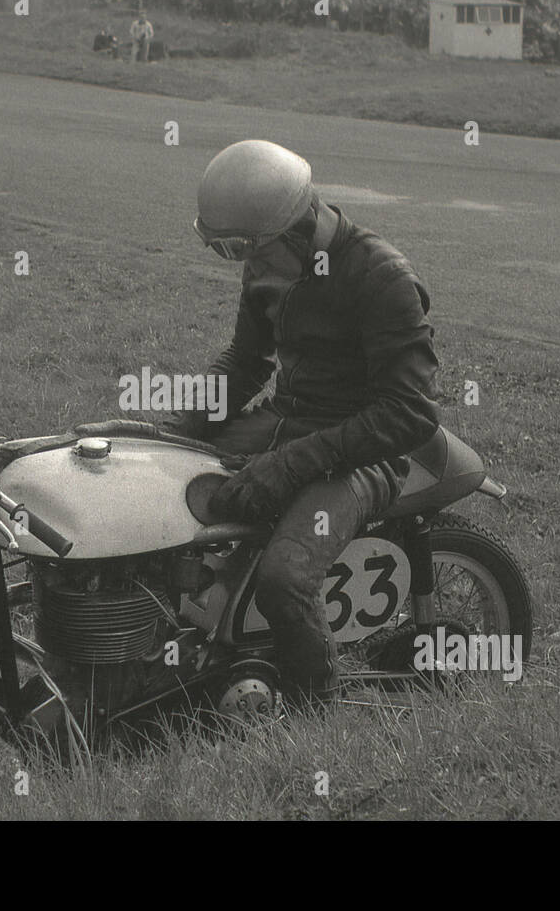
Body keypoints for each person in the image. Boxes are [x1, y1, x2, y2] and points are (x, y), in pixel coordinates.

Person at [166, 140, 441, 708]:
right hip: (288, 421)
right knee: (164, 489)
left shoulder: (381, 276)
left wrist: (293, 462)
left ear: (298, 230)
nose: (249, 268)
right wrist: (180, 429)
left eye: (253, 252)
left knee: (286, 578)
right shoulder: (272, 262)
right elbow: (245, 363)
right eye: (231, 252)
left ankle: (316, 705)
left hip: (364, 451)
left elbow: (410, 412)